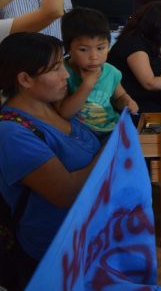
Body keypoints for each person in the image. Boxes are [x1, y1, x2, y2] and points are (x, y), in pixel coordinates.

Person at [0, 32, 101, 287]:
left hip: (88, 239)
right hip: (56, 254)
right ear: (24, 79)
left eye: (62, 64)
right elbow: (65, 193)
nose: (66, 74)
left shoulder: (51, 106)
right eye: (55, 69)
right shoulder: (12, 132)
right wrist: (110, 152)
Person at [56, 8, 138, 140]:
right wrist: (87, 84)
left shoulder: (111, 72)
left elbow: (119, 97)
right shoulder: (63, 73)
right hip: (82, 137)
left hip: (112, 131)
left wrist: (127, 101)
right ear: (68, 48)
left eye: (100, 48)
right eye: (83, 49)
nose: (94, 57)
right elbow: (64, 112)